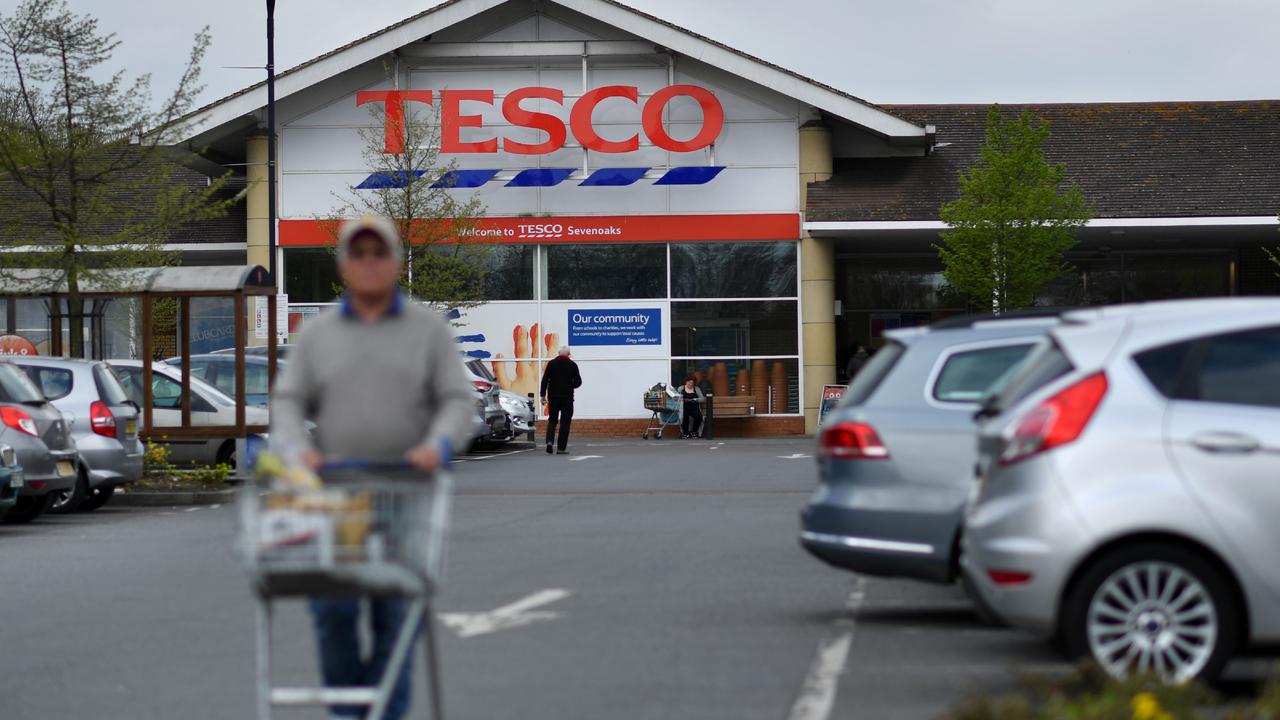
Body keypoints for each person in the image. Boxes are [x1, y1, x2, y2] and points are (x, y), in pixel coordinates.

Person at [270, 215, 476, 720]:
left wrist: (438, 444)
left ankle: (384, 713)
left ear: (397, 261)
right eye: (358, 254)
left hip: (409, 491)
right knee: (332, 608)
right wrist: (299, 450)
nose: (369, 262)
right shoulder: (318, 334)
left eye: (378, 253)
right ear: (343, 264)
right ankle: (349, 711)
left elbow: (457, 399)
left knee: (397, 612)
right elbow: (289, 402)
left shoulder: (427, 330)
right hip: (337, 493)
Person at [540, 345, 581, 455]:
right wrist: (571, 385)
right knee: (565, 422)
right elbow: (578, 382)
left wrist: (542, 395)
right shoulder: (572, 365)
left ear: (558, 354)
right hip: (567, 398)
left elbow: (544, 380)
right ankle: (561, 448)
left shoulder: (551, 364)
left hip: (553, 397)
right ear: (568, 354)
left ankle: (549, 441)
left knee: (552, 420)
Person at [677, 374, 704, 439]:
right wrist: (683, 400)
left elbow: (702, 399)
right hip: (684, 407)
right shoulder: (681, 388)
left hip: (694, 407)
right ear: (686, 381)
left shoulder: (697, 389)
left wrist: (695, 400)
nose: (690, 384)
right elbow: (677, 398)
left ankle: (694, 432)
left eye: (692, 383)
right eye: (689, 382)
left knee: (699, 416)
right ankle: (685, 433)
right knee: (684, 417)